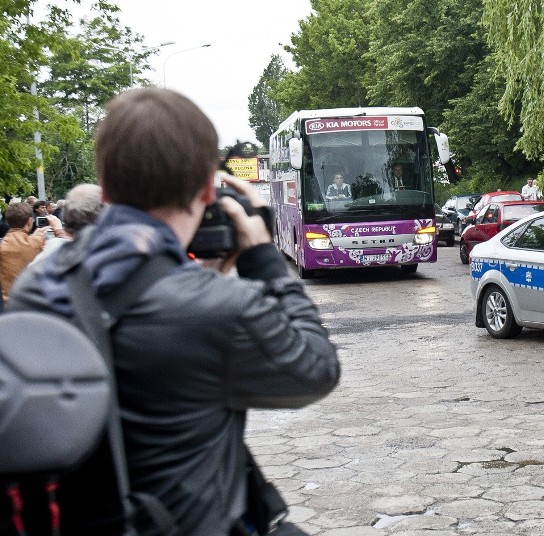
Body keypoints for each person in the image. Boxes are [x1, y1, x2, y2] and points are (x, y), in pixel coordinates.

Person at [8, 88, 340, 535]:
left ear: (105, 188)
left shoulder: (39, 285)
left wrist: (199, 280)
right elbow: (314, 369)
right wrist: (263, 258)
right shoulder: (218, 308)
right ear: (206, 188)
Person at [0, 201, 62, 302]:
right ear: (30, 221)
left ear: (8, 222)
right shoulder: (39, 243)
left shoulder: (3, 245)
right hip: (34, 304)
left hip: (7, 304)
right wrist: (58, 230)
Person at [30, 183, 104, 265]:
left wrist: (58, 232)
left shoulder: (52, 251)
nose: (44, 209)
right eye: (42, 207)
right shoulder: (111, 253)